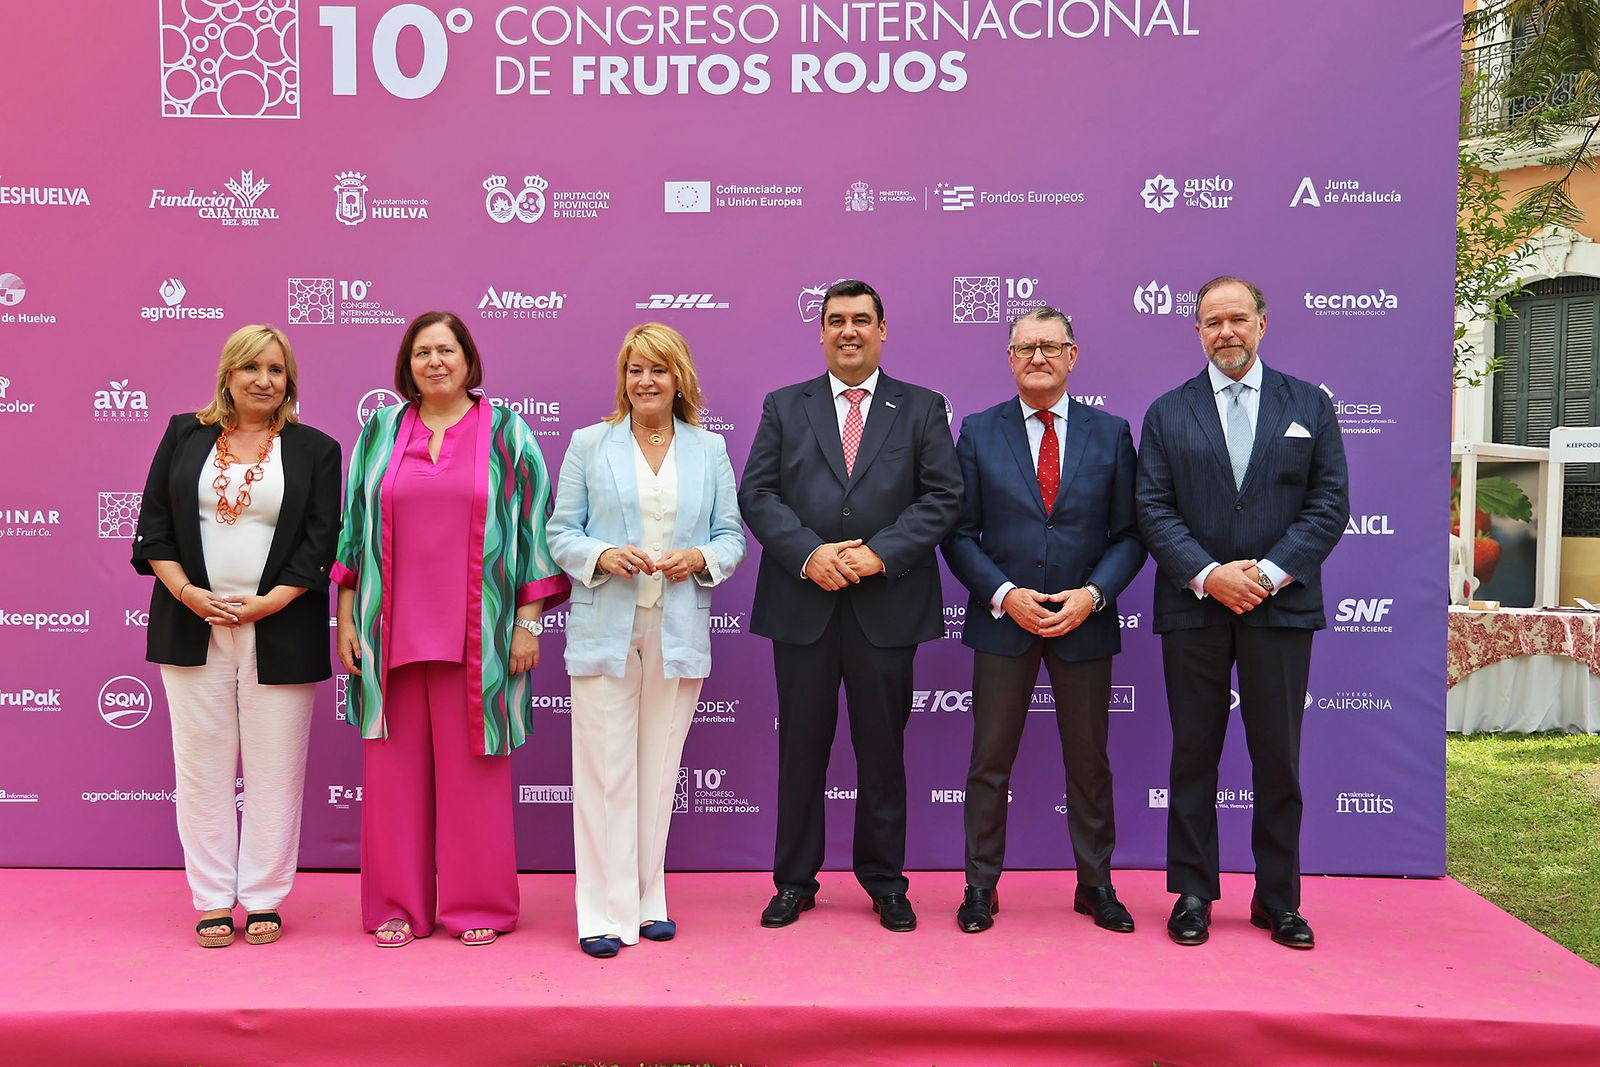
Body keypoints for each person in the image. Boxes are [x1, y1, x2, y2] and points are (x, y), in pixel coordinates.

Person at [333, 311, 570, 948]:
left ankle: (478, 907)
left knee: (476, 773)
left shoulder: (508, 434)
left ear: (468, 359)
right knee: (391, 778)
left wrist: (527, 623)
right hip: (388, 632)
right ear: (406, 366)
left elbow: (534, 536)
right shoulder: (379, 431)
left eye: (446, 350)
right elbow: (353, 532)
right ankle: (395, 907)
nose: (434, 362)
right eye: (421, 353)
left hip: (484, 633)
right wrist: (346, 619)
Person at [738, 279, 962, 932]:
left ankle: (886, 882)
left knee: (882, 753)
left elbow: (943, 497)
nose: (848, 331)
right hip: (802, 603)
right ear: (821, 331)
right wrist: (812, 554)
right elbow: (759, 495)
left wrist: (878, 553)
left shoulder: (921, 408)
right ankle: (794, 881)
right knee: (801, 750)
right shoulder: (785, 406)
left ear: (883, 329)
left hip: (886, 604)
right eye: (836, 320)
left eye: (861, 320)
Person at [1135, 276, 1349, 949]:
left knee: (1277, 759)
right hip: (1195, 607)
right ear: (1197, 331)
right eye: (1211, 321)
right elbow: (1152, 507)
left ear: (1262, 322)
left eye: (1238, 318)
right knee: (1194, 754)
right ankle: (1193, 892)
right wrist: (1207, 574)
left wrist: (1267, 572)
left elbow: (1329, 502)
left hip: (1279, 609)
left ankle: (1278, 899)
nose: (1225, 331)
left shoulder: (1308, 404)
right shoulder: (1168, 412)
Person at [132, 324, 341, 948]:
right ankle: (212, 899)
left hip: (281, 626)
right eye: (251, 368)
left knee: (277, 770)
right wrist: (191, 596)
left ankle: (265, 897)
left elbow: (320, 545)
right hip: (189, 623)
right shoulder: (183, 434)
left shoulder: (316, 449)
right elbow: (154, 528)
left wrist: (263, 606)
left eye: (276, 370)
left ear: (289, 381)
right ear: (228, 374)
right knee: (201, 768)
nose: (263, 381)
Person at [941, 306, 1146, 935]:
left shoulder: (1111, 433)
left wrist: (1093, 595)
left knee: (1089, 760)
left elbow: (1132, 533)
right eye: (1026, 347)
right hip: (1005, 620)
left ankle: (1096, 884)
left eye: (1050, 347)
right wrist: (1004, 593)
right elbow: (957, 530)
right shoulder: (977, 431)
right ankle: (980, 886)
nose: (1038, 357)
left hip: (1083, 620)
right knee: (989, 760)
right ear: (1009, 357)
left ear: (1072, 356)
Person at [548, 323, 747, 958]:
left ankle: (646, 899)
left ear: (679, 377)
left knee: (659, 771)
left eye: (658, 370)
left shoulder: (708, 449)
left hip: (679, 627)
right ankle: (600, 913)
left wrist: (700, 559)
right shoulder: (588, 443)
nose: (645, 382)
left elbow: (731, 536)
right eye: (635, 370)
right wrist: (604, 554)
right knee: (605, 771)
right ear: (623, 377)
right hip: (605, 627)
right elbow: (560, 533)